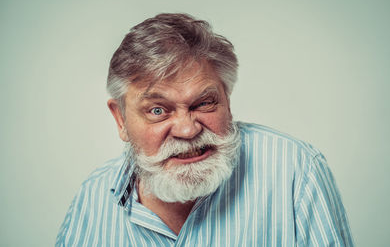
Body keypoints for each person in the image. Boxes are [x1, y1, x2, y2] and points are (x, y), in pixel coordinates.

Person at [56, 13, 354, 246]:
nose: (187, 130)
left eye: (204, 103)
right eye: (158, 110)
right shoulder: (92, 194)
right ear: (120, 119)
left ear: (227, 100)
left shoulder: (296, 170)